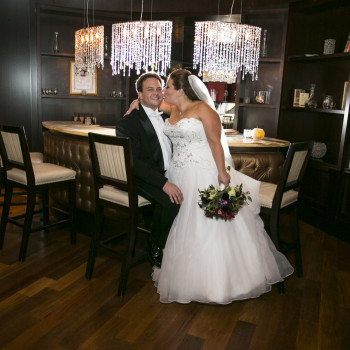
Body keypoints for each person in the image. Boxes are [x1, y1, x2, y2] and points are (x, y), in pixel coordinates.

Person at [150, 69, 294, 304]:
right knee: (181, 221)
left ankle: (220, 282)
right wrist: (137, 102)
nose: (163, 91)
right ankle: (186, 275)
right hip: (177, 173)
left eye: (167, 86)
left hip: (202, 171)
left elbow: (216, 142)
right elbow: (154, 106)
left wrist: (221, 173)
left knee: (210, 223)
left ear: (180, 90)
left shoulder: (204, 109)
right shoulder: (173, 108)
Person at [115, 72, 183, 268]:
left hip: (166, 172)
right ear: (140, 94)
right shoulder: (128, 123)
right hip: (140, 177)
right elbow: (135, 163)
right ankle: (155, 244)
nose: (155, 92)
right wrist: (164, 184)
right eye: (149, 89)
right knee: (172, 200)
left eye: (158, 88)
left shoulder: (168, 115)